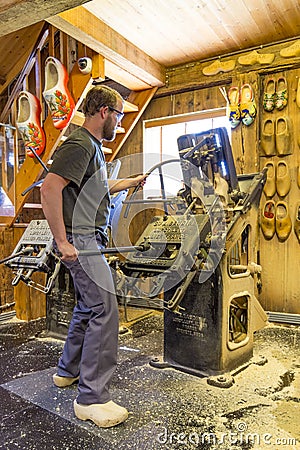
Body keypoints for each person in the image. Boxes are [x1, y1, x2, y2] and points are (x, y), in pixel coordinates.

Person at [40, 85, 147, 428]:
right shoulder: (79, 144)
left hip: (88, 236)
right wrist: (61, 240)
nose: (118, 121)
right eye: (118, 114)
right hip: (79, 238)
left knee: (88, 306)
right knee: (105, 307)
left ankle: (66, 372)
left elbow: (96, 187)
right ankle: (92, 398)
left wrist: (129, 181)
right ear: (104, 112)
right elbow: (49, 188)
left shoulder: (94, 149)